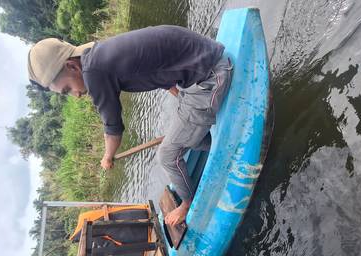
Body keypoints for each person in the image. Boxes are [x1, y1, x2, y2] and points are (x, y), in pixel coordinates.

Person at [27, 25, 233, 226]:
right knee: (182, 134)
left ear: (72, 66)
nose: (76, 95)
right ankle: (221, 145)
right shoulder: (99, 55)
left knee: (168, 156)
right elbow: (158, 74)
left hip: (210, 77)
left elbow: (113, 129)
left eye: (67, 89)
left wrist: (107, 157)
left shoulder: (93, 73)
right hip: (206, 63)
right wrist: (183, 101)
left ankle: (188, 204)